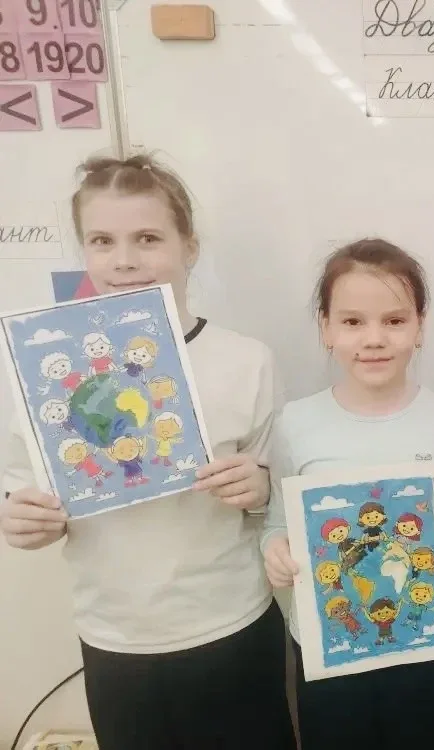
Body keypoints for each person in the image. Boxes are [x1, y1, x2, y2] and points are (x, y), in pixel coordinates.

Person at [0, 154, 295, 750]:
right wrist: (21, 518)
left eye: (148, 238)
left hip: (232, 625)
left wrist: (261, 488)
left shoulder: (246, 360)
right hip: (116, 638)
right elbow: (18, 487)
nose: (125, 259)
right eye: (102, 241)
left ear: (189, 247)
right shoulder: (42, 366)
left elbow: (280, 500)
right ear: (85, 252)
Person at [260, 238, 434, 750]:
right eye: (353, 321)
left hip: (430, 650)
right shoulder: (296, 424)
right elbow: (276, 522)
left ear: (420, 327)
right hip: (332, 653)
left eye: (395, 320)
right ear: (326, 329)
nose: (375, 339)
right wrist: (274, 551)